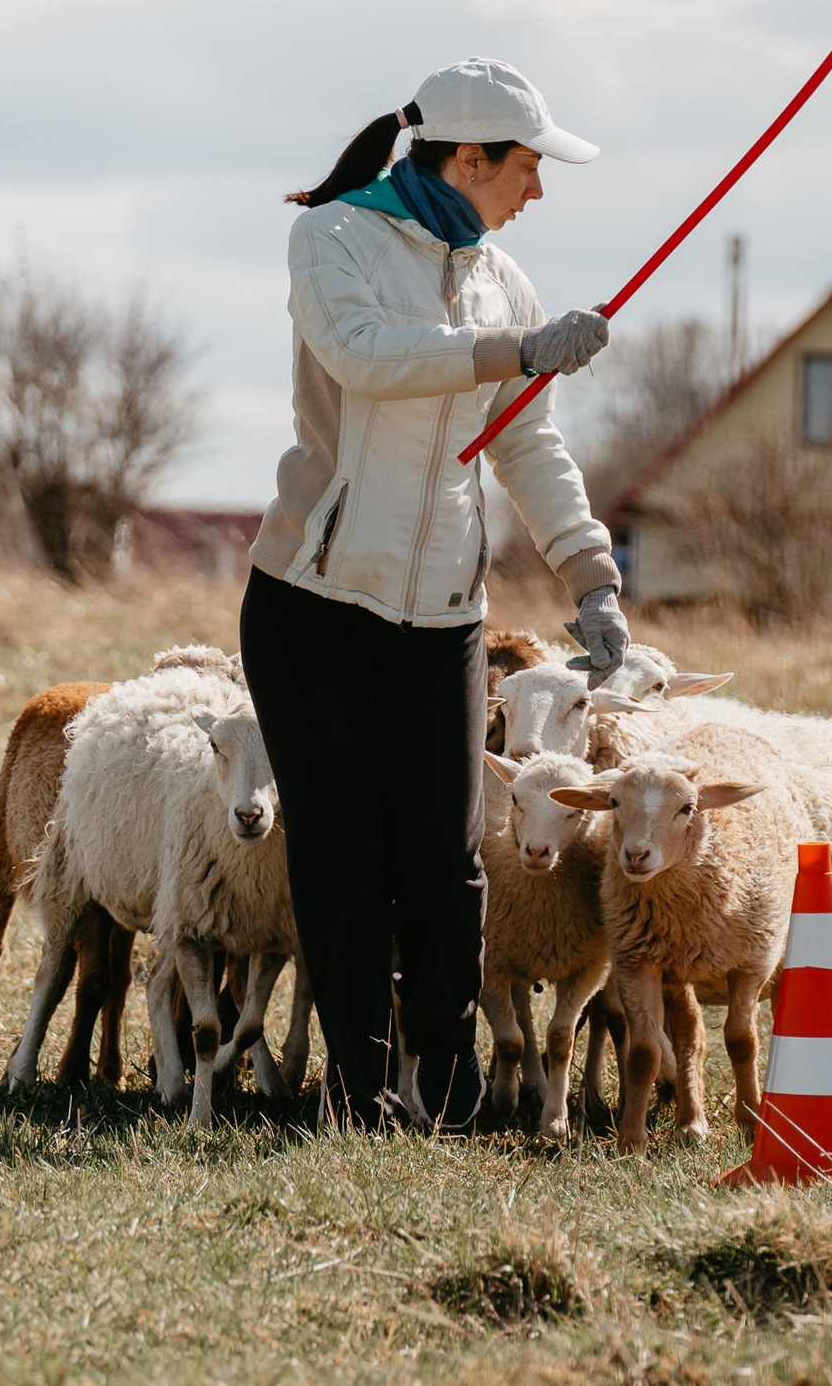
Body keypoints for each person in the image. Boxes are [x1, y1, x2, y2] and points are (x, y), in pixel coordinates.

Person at [243, 57, 632, 1129]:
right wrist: (516, 350)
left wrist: (591, 574)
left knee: (448, 856)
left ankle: (451, 1093)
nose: (537, 192)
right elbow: (368, 356)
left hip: (441, 617)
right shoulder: (331, 238)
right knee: (346, 854)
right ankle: (359, 1095)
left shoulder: (500, 278)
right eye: (527, 168)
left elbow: (531, 446)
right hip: (315, 603)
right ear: (468, 159)